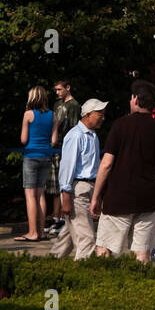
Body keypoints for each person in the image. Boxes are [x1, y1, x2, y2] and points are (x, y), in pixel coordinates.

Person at [92, 81, 155, 262]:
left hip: (118, 197)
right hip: (148, 198)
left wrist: (96, 196)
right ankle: (139, 283)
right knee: (142, 251)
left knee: (105, 248)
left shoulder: (120, 125)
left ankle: (105, 284)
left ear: (135, 100)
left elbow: (106, 164)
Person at [51, 99, 107, 260]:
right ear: (88, 115)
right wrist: (66, 194)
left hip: (86, 187)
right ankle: (84, 274)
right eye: (99, 114)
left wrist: (97, 194)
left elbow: (93, 167)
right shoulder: (75, 136)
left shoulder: (92, 136)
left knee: (67, 237)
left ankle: (51, 264)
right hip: (77, 189)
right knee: (87, 239)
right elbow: (67, 166)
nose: (102, 117)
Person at [17, 85, 59, 242]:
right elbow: (54, 141)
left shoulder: (28, 114)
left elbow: (23, 139)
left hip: (31, 155)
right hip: (46, 156)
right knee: (41, 194)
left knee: (30, 195)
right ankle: (41, 232)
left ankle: (32, 232)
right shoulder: (53, 116)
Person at [46, 79, 81, 235]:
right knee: (54, 185)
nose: (58, 93)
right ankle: (56, 218)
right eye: (56, 90)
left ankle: (62, 219)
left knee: (63, 184)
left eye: (60, 89)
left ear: (68, 88)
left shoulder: (74, 106)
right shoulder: (57, 104)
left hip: (64, 147)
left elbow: (74, 127)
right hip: (55, 146)